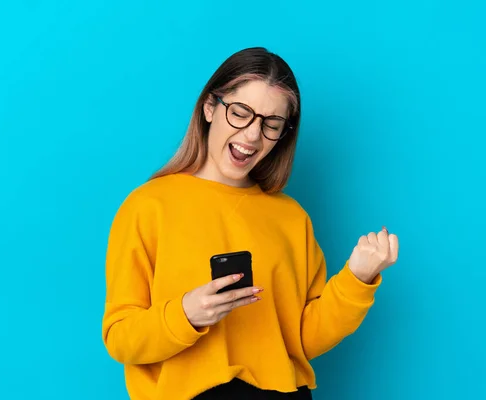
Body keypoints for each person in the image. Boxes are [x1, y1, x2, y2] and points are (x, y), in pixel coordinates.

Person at [101, 47, 399, 400]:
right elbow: (120, 338)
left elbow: (302, 339)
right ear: (209, 107)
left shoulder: (290, 217)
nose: (253, 136)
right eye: (240, 113)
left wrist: (358, 277)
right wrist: (186, 313)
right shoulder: (148, 206)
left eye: (271, 124)